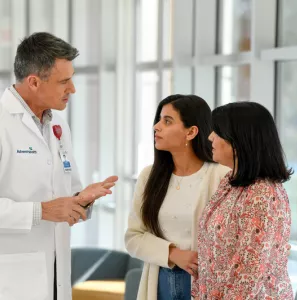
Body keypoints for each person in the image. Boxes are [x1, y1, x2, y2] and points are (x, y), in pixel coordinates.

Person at [0, 32, 118, 300]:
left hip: (56, 275)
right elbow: (49, 209)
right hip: (10, 279)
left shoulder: (58, 126)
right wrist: (41, 211)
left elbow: (67, 193)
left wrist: (82, 200)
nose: (73, 89)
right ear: (33, 82)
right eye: (64, 81)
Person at [125, 94, 230, 300]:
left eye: (167, 121)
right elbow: (133, 237)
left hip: (204, 282)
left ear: (191, 132)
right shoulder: (149, 176)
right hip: (160, 280)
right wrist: (173, 254)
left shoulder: (221, 176)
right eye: (158, 120)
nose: (156, 127)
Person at [192, 102, 293, 299]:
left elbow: (249, 275)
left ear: (238, 140)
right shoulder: (230, 182)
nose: (210, 137)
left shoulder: (262, 194)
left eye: (217, 132)